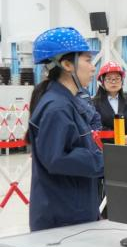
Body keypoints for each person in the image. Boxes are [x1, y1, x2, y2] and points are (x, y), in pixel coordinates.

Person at [27, 27, 104, 232]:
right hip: (62, 217)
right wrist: (105, 161)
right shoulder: (57, 108)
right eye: (88, 60)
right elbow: (57, 158)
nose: (93, 68)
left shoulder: (68, 102)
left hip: (73, 209)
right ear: (67, 64)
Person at [92, 61, 127, 146]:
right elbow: (98, 128)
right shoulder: (94, 103)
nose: (113, 82)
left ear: (122, 81)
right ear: (102, 81)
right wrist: (121, 138)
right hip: (104, 148)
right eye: (109, 79)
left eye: (117, 78)